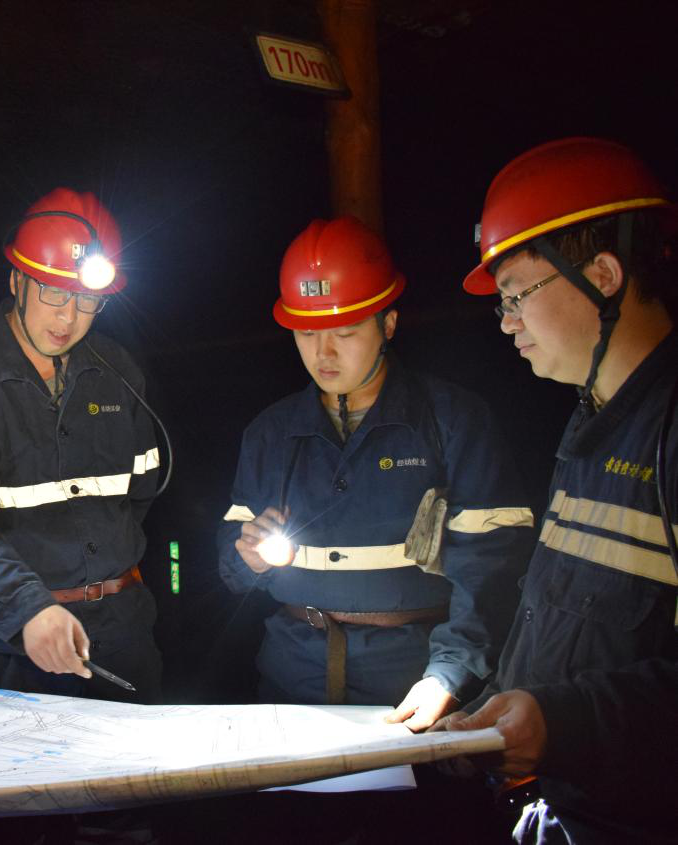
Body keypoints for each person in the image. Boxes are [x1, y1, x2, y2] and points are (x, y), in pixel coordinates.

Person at [439, 137, 678, 843]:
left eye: (517, 294)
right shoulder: (591, 424)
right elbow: (563, 615)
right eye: (501, 304)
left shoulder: (666, 431)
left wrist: (562, 722)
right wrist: (494, 705)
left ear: (603, 274)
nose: (507, 321)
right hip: (564, 809)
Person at [217, 216, 534, 727]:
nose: (323, 353)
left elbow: (492, 570)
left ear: (387, 325)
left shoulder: (453, 421)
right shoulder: (269, 434)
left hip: (411, 691)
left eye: (344, 332)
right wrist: (246, 558)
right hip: (290, 687)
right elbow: (230, 564)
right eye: (306, 332)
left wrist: (449, 675)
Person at [0, 187, 162, 704]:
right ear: (16, 281)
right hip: (11, 649)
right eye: (53, 293)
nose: (68, 317)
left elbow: (140, 493)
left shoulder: (119, 373)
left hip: (123, 637)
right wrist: (26, 606)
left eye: (87, 300)